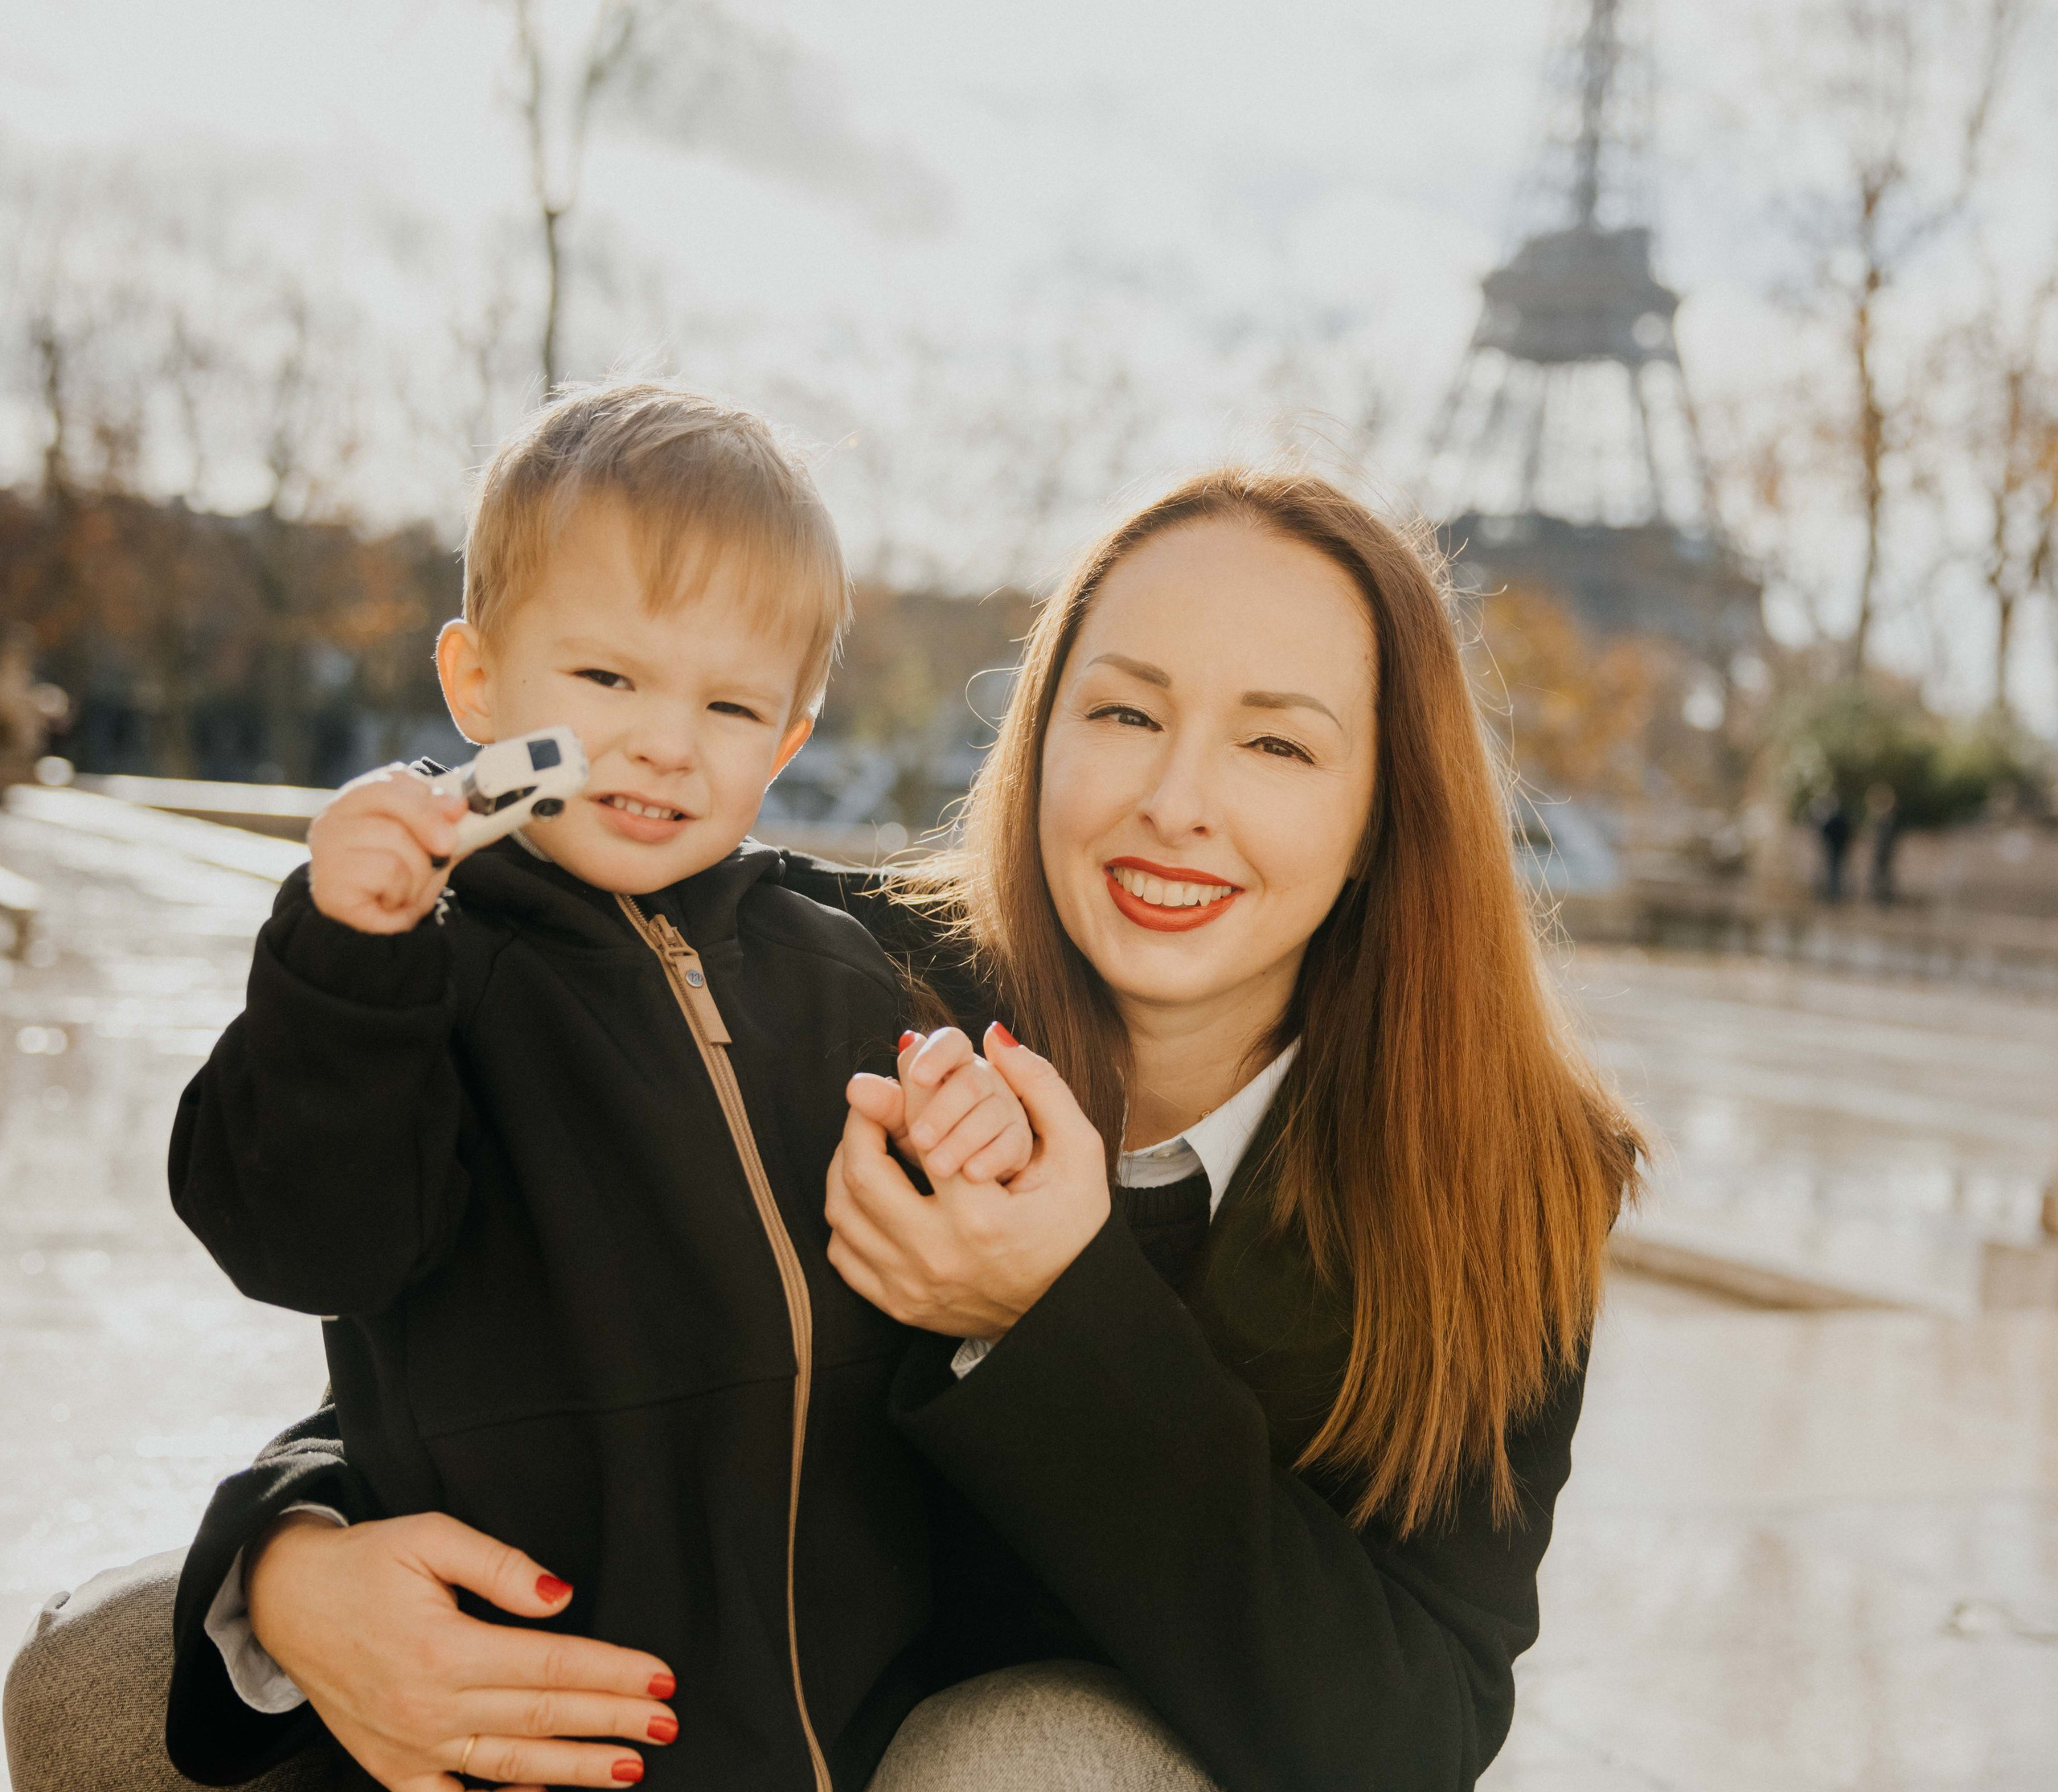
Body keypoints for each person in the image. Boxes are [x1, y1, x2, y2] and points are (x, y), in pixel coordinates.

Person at [6, 466, 1645, 1792]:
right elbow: (526, 1322)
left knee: (1028, 1763)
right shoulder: (850, 978)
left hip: (1023, 1751)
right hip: (698, 1699)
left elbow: (1407, 1730)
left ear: (1383, 808)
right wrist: (293, 1558)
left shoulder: (1501, 1174)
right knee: (108, 1666)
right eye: (1124, 714)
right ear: (1039, 736)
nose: (1176, 800)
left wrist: (1048, 1312)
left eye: (1277, 742)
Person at [166, 380, 1032, 1792]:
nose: (664, 742)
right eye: (608, 681)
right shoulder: (420, 968)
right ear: (478, 685)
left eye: (730, 704)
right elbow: (310, 1244)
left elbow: (937, 1286)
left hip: (844, 1719)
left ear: (789, 737)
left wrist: (972, 1141)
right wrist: (348, 964)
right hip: (526, 1718)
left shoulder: (839, 969)